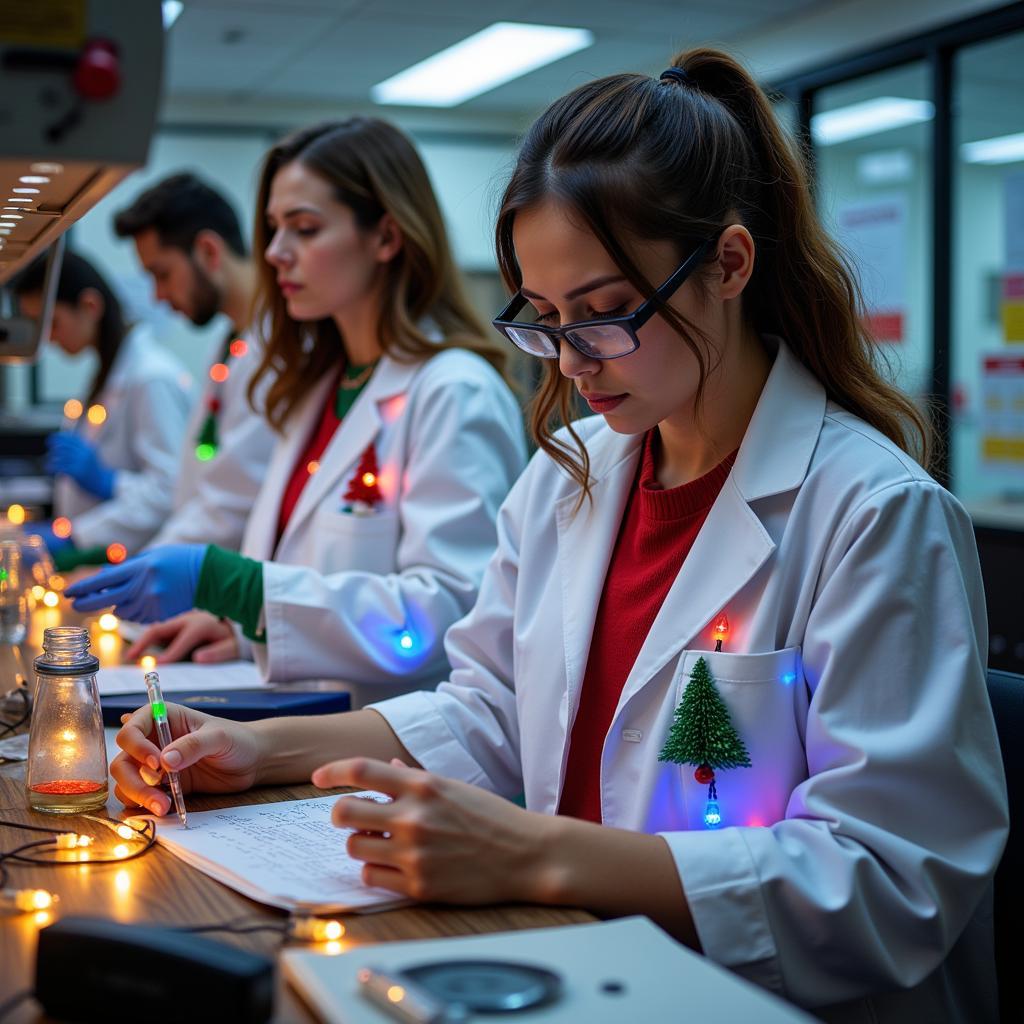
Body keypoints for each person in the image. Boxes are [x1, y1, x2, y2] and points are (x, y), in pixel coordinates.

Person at [108, 51, 1006, 1022]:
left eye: (606, 315)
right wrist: (258, 748)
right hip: (564, 959)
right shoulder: (570, 476)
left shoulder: (870, 511)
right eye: (543, 320)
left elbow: (887, 879)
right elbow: (490, 711)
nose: (572, 361)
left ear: (730, 265)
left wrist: (535, 852)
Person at [71, 118, 526, 700]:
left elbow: (444, 618)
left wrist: (235, 588)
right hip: (299, 730)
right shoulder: (316, 389)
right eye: (273, 229)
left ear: (386, 237)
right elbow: (311, 573)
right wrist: (242, 628)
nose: (275, 254)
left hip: (390, 756)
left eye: (304, 229)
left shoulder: (454, 391)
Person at [112, 172, 276, 550]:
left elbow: (233, 502)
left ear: (208, 251)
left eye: (162, 274)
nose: (158, 296)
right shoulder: (228, 344)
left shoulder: (274, 348)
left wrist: (151, 566)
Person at [14, 251, 191, 568]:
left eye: (52, 323)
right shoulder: (110, 372)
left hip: (141, 564)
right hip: (110, 562)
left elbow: (169, 492)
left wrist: (106, 486)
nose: (47, 339)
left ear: (90, 306)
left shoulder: (151, 378)